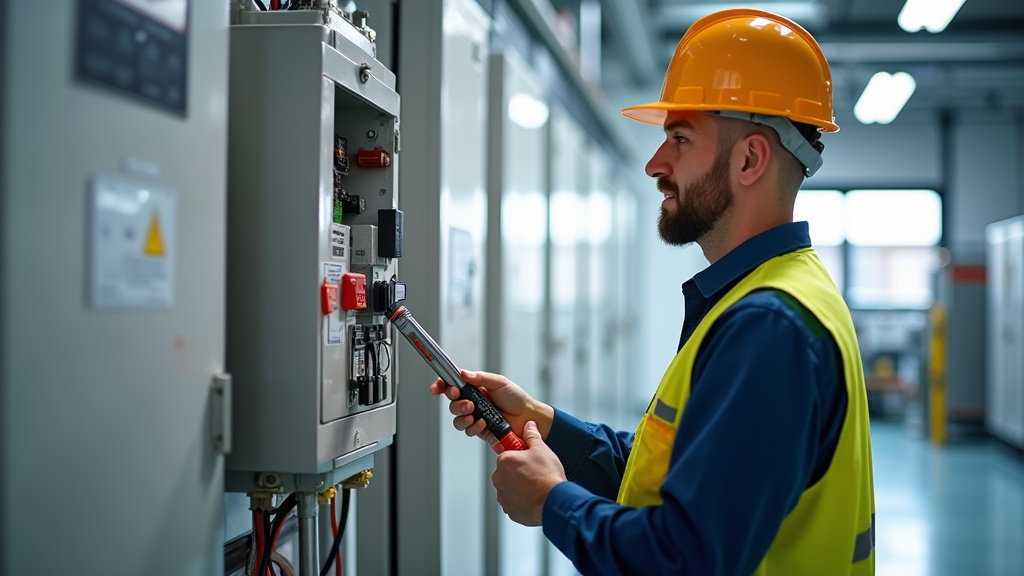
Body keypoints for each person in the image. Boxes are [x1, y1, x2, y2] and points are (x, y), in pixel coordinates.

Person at [430, 8, 874, 575]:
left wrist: (551, 502)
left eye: (680, 139)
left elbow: (686, 558)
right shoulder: (768, 297)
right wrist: (540, 422)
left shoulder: (769, 327)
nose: (654, 164)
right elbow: (668, 479)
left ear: (749, 159)